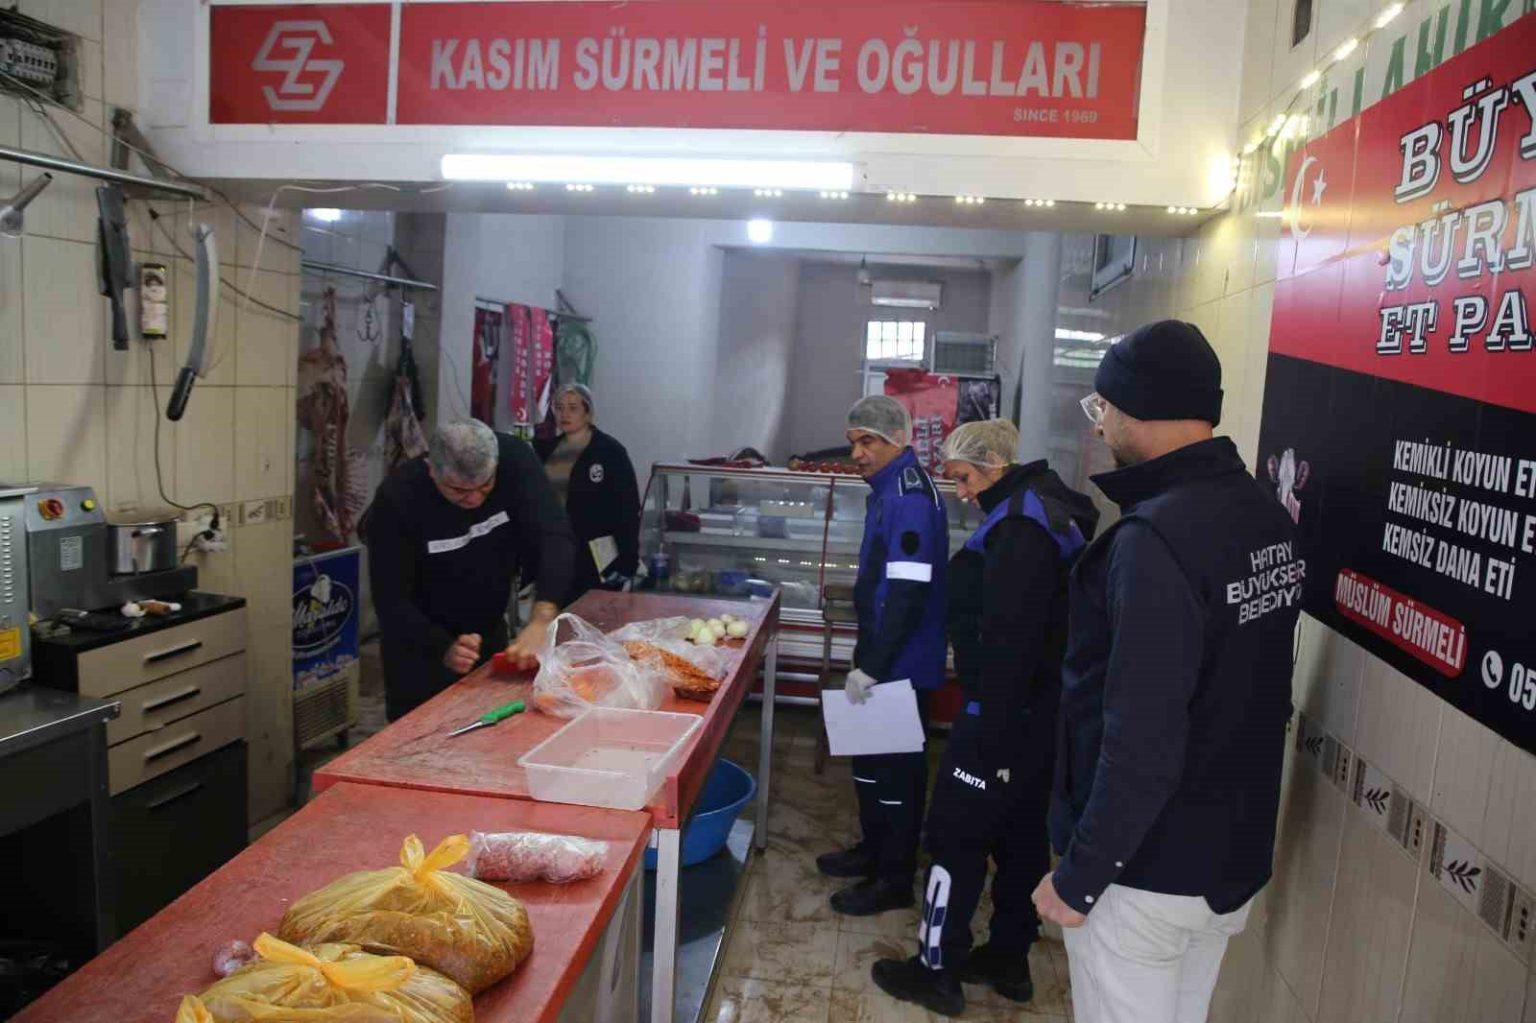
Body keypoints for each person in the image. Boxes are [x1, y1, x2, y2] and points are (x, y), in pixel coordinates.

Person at [1032, 321, 1302, 1023]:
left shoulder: (1154, 539)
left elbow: (1142, 735)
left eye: (1104, 407)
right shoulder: (1262, 514)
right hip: (1225, 861)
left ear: (1141, 407)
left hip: (1142, 870)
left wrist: (1081, 874)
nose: (1100, 426)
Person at [872, 419, 1098, 1017]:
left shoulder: (1019, 528)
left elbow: (1010, 642)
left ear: (994, 465)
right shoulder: (1048, 505)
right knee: (1021, 837)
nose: (962, 492)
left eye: (965, 478)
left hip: (1000, 715)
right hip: (1042, 715)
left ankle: (936, 970)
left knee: (953, 836)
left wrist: (988, 741)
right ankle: (1007, 959)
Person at [816, 395, 949, 917]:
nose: (857, 453)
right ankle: (873, 850)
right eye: (853, 442)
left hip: (901, 661)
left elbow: (909, 592)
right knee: (871, 764)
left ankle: (894, 878)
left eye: (867, 441)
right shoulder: (887, 489)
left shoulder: (909, 497)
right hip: (880, 649)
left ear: (897, 440)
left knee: (896, 774)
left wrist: (874, 665)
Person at [365, 419, 577, 721]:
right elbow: (390, 598)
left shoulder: (515, 460)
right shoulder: (398, 498)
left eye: (485, 486)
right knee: (423, 735)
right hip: (419, 645)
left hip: (487, 631)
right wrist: (443, 647)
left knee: (495, 727)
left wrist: (542, 618)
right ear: (432, 469)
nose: (475, 499)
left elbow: (554, 535)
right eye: (458, 490)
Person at [533, 384, 642, 596]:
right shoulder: (546, 450)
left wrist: (629, 558)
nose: (565, 414)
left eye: (573, 408)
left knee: (592, 609)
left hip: (598, 553)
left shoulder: (610, 451)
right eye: (559, 407)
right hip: (556, 550)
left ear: (587, 412)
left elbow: (628, 508)